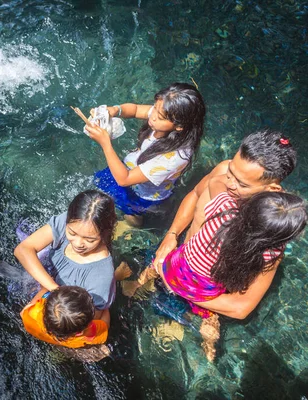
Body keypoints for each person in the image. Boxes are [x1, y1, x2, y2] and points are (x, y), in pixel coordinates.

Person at [152, 129, 298, 319]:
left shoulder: (269, 231)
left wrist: (178, 287)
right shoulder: (223, 172)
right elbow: (196, 194)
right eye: (231, 171)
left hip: (205, 294)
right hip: (177, 258)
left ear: (272, 189)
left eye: (242, 184)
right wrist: (171, 235)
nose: (229, 183)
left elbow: (241, 306)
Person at [84, 82, 206, 226]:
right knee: (101, 184)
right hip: (131, 170)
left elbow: (124, 179)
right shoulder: (162, 113)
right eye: (154, 108)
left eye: (160, 116)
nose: (152, 117)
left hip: (144, 193)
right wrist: (114, 110)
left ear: (179, 126)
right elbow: (135, 110)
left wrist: (105, 144)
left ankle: (133, 226)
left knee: (131, 211)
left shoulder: (175, 158)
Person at [14, 190, 120, 328]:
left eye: (89, 239)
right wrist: (55, 289)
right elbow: (22, 250)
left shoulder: (101, 278)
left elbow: (87, 321)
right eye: (72, 233)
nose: (77, 243)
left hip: (66, 306)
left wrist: (51, 292)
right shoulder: (75, 221)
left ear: (104, 234)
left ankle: (118, 277)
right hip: (53, 289)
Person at [20, 286, 108, 348]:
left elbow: (22, 313)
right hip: (72, 343)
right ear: (80, 332)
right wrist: (106, 306)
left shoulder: (32, 314)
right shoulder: (89, 334)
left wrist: (45, 287)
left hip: (44, 335)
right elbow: (105, 323)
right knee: (103, 352)